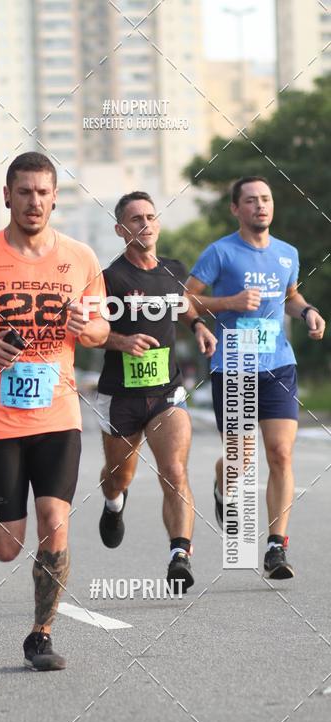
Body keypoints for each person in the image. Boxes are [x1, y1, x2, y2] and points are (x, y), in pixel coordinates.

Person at [0, 151, 109, 671]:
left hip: (58, 412)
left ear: (55, 198)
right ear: (7, 196)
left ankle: (41, 634)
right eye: (24, 191)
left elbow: (101, 329)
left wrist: (87, 328)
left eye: (43, 192)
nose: (34, 201)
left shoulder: (81, 258)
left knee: (55, 519)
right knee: (8, 545)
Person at [185, 176, 326, 578]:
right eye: (250, 200)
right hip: (234, 364)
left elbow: (289, 296)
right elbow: (186, 299)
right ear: (236, 209)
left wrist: (307, 311)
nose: (260, 206)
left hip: (279, 364)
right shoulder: (220, 252)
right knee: (240, 460)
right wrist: (228, 302)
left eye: (265, 199)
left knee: (280, 453)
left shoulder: (287, 253)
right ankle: (222, 484)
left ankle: (276, 546)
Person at [95, 191, 216, 592]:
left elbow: (182, 304)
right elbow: (88, 332)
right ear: (120, 229)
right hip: (121, 395)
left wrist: (197, 325)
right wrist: (121, 341)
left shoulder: (174, 269)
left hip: (167, 392)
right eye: (135, 219)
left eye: (150, 216)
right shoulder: (109, 278)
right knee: (119, 476)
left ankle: (179, 554)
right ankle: (114, 503)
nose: (145, 224)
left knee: (174, 471)